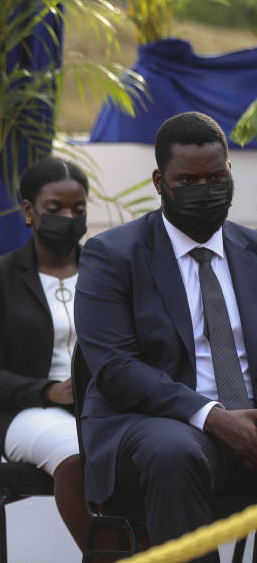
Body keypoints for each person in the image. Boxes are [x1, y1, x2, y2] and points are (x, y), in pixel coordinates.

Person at [76, 111, 257, 561]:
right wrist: (212, 416)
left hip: (248, 421)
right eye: (188, 181)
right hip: (152, 428)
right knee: (174, 451)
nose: (205, 190)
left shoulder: (254, 252)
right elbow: (116, 369)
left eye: (216, 177)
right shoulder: (112, 255)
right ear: (160, 181)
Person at [0, 157, 90, 549]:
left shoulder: (109, 269)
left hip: (104, 407)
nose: (68, 217)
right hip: (27, 414)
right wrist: (50, 391)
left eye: (79, 209)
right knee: (79, 456)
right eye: (55, 209)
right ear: (28, 211)